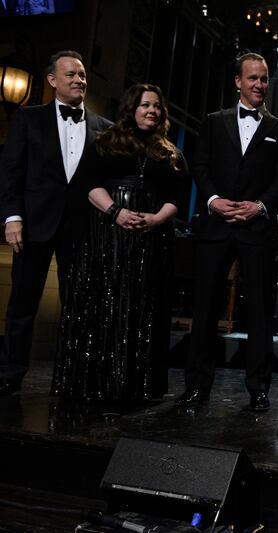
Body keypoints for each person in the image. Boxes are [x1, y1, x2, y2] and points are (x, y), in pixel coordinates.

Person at [52, 83, 187, 401]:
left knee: (143, 308)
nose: (152, 111)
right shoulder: (106, 142)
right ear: (131, 109)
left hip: (151, 239)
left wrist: (156, 219)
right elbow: (88, 184)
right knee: (106, 302)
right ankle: (95, 382)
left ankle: (136, 385)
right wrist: (116, 211)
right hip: (107, 234)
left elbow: (178, 197)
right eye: (145, 105)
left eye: (157, 106)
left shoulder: (171, 153)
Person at [175, 53, 278, 410]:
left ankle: (259, 389)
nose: (259, 84)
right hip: (216, 225)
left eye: (264, 79)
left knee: (260, 313)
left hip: (257, 227)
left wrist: (260, 206)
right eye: (253, 78)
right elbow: (200, 166)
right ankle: (197, 386)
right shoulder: (213, 121)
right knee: (205, 308)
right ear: (238, 81)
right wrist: (213, 200)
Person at [0, 50, 111, 397]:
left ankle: (72, 375)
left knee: (78, 305)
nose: (79, 80)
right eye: (71, 74)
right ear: (52, 80)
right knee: (22, 304)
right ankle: (11, 373)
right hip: (33, 224)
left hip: (81, 229)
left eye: (82, 74)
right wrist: (12, 217)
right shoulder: (28, 118)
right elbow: (10, 171)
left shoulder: (104, 128)